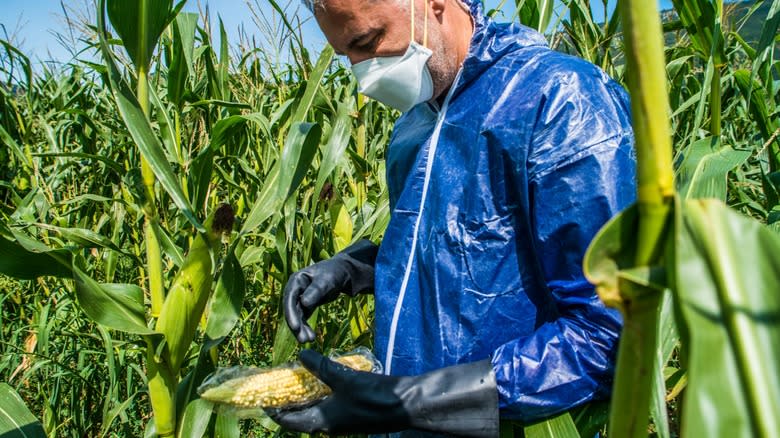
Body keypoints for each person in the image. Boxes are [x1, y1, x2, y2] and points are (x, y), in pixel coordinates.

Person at [272, 0, 636, 435]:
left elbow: (610, 335)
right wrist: (356, 268)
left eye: (367, 42)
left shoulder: (559, 101)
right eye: (345, 55)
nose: (361, 77)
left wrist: (416, 401)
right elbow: (455, 246)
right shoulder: (413, 125)